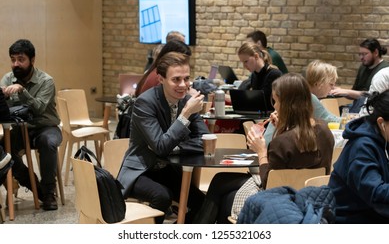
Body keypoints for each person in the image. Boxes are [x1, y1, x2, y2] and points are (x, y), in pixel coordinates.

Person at [193, 73, 334, 223]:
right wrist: (281, 129)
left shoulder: (283, 142)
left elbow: (269, 183)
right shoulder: (325, 131)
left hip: (282, 199)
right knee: (220, 180)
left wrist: (261, 151)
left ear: (287, 104)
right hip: (311, 196)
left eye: (276, 101)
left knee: (227, 196)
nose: (274, 106)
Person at [117, 51, 209, 223]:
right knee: (162, 196)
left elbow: (205, 139)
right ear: (161, 79)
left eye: (186, 78)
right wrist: (186, 113)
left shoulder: (186, 100)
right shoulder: (145, 102)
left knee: (203, 202)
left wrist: (177, 148)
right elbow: (160, 147)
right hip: (142, 169)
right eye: (176, 79)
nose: (183, 85)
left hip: (168, 168)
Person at [0, 39, 62, 210]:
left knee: (47, 142)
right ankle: (35, 186)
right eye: (13, 60)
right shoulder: (7, 78)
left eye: (21, 59)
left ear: (32, 60)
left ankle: (49, 191)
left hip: (46, 127)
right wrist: (3, 97)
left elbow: (39, 109)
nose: (16, 64)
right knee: (3, 150)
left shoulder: (46, 81)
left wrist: (22, 91)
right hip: (21, 129)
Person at [329, 90, 389, 223]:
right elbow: (375, 193)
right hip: (351, 220)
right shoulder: (361, 147)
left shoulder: (385, 138)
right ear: (381, 123)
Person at [264, 60, 340, 146]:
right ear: (319, 83)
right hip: (274, 145)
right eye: (331, 84)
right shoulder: (310, 98)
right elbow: (330, 120)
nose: (333, 87)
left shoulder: (304, 96)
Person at [331, 38, 389, 112]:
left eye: (364, 54)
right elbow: (354, 94)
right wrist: (339, 92)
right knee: (336, 111)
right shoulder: (363, 67)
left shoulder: (384, 70)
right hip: (358, 106)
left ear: (376, 52)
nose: (361, 57)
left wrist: (346, 91)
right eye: (360, 54)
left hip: (373, 110)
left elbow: (371, 96)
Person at [237, 41, 282, 112]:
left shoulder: (274, 74)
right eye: (242, 62)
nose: (244, 66)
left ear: (256, 56)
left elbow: (265, 103)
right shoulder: (254, 75)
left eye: (246, 61)